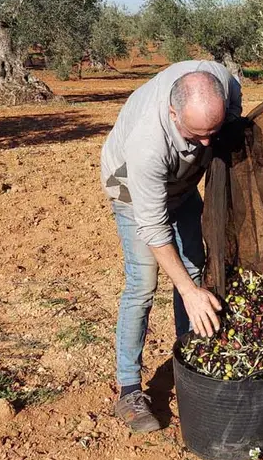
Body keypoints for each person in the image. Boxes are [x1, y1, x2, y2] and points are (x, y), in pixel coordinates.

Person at [101, 60, 242, 432]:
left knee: (195, 269)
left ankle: (190, 359)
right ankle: (129, 387)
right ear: (173, 113)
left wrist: (192, 286)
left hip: (181, 184)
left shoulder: (224, 84)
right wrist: (188, 291)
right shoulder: (148, 143)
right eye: (198, 135)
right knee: (143, 285)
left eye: (214, 131)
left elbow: (223, 132)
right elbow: (153, 226)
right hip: (133, 191)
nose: (209, 142)